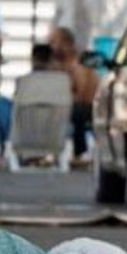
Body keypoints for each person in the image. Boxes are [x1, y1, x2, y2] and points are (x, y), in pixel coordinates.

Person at [49, 27, 97, 165]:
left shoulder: (79, 65)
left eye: (53, 42)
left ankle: (80, 153)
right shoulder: (57, 65)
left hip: (84, 107)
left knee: (78, 112)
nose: (50, 46)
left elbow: (83, 96)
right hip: (66, 106)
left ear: (66, 44)